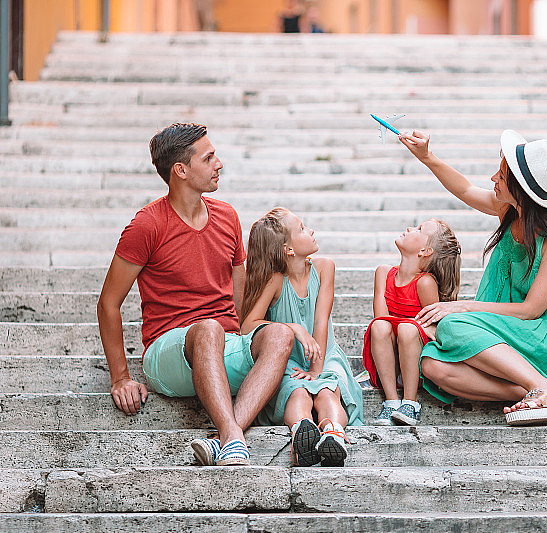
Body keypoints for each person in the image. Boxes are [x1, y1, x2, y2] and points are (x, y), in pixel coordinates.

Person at [97, 123, 294, 466]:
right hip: (167, 352)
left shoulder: (228, 217)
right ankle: (233, 437)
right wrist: (120, 378)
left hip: (223, 344)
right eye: (210, 158)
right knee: (207, 329)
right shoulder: (147, 225)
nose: (219, 163)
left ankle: (226, 440)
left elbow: (240, 299)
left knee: (278, 334)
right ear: (182, 171)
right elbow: (108, 304)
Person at [398, 129, 547, 426]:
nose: (494, 179)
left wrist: (463, 306)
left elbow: (531, 310)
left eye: (500, 175)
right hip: (506, 340)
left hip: (546, 338)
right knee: (432, 365)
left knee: (450, 324)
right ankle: (534, 392)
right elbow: (465, 190)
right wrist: (427, 157)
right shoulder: (510, 211)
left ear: (520, 189)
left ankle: (545, 386)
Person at [240, 207, 363, 467]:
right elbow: (248, 325)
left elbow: (321, 319)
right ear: (288, 249)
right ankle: (302, 430)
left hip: (325, 354)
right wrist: (294, 327)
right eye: (303, 228)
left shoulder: (324, 268)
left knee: (327, 392)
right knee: (298, 394)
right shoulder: (275, 281)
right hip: (289, 361)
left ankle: (333, 433)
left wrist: (317, 369)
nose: (311, 231)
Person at [362, 219, 461, 426]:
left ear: (425, 250)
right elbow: (382, 319)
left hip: (414, 359)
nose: (409, 228)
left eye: (419, 229)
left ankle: (411, 402)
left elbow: (432, 326)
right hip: (389, 360)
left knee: (408, 328)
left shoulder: (425, 283)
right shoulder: (383, 273)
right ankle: (391, 401)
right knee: (379, 325)